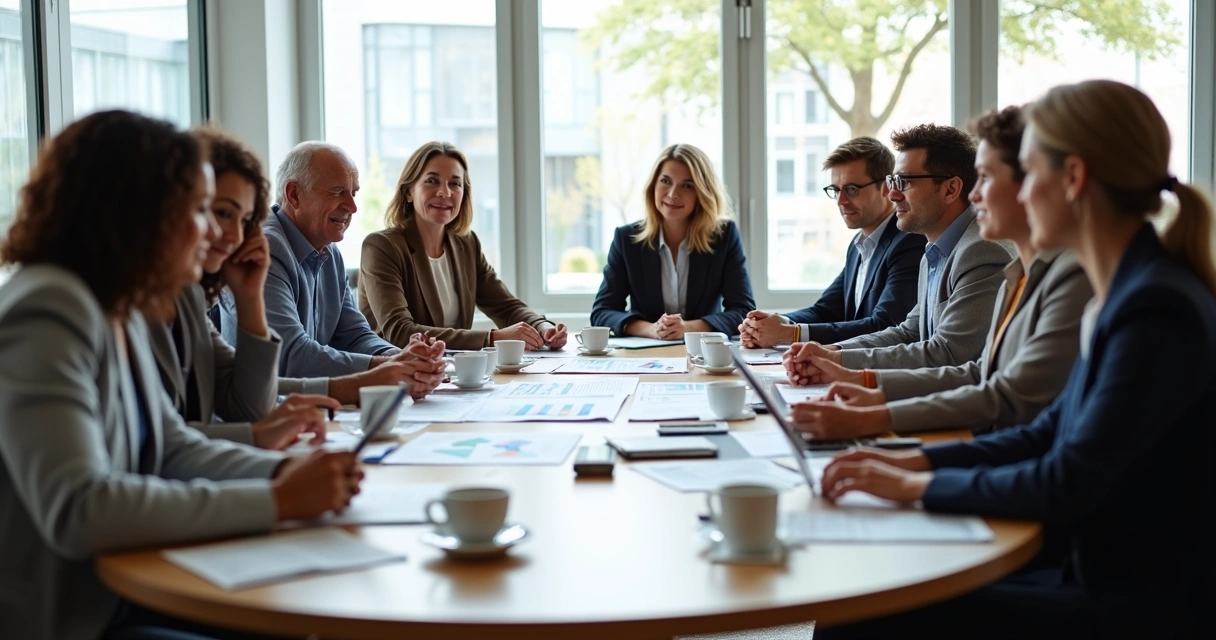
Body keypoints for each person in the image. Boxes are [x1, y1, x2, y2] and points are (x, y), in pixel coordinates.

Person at [814, 80, 1216, 639]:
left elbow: (1066, 480)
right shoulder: (1124, 292)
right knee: (863, 584)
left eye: (1025, 175)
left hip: (1126, 596)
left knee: (856, 612)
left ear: (1072, 179)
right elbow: (1050, 431)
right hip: (1092, 566)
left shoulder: (1154, 309)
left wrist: (915, 487)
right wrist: (912, 465)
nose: (1007, 196)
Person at [0, 110, 364, 640]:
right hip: (76, 615)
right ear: (136, 211)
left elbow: (172, 446)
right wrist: (278, 500)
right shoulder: (51, 306)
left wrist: (280, 476)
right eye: (197, 209)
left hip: (127, 583)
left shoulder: (117, 305)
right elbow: (79, 509)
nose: (216, 232)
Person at [789, 106, 1092, 438]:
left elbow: (965, 368)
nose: (975, 194)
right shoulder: (956, 255)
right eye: (893, 180)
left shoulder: (991, 254)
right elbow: (918, 336)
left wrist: (866, 393)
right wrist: (836, 356)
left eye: (986, 179)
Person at [784, 124, 1015, 385]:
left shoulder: (981, 251)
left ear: (950, 190)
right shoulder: (934, 250)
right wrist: (834, 351)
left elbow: (949, 353)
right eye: (893, 181)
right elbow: (910, 332)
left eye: (904, 182)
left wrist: (838, 362)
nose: (892, 194)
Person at [220, 141, 444, 399]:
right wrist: (389, 368)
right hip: (261, 411)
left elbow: (353, 334)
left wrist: (399, 356)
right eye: (338, 192)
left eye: (354, 193)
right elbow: (290, 357)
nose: (352, 206)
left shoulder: (328, 250)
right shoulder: (265, 249)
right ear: (294, 194)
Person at [359, 142, 567, 351]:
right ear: (408, 192)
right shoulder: (382, 247)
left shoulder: (466, 244)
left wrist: (542, 327)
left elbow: (505, 306)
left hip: (456, 372)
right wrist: (491, 338)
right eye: (432, 181)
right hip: (396, 373)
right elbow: (400, 332)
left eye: (455, 184)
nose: (444, 192)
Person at [739, 137, 924, 348]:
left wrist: (790, 334)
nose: (840, 201)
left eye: (852, 189)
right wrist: (772, 323)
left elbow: (885, 325)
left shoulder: (909, 243)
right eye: (836, 190)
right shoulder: (860, 245)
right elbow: (825, 310)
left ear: (885, 187)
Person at [591, 143, 755, 339]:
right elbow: (602, 312)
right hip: (645, 356)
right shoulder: (627, 239)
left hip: (704, 354)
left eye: (687, 185)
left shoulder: (724, 236)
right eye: (665, 181)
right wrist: (651, 329)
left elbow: (743, 311)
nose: (672, 194)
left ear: (702, 193)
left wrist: (688, 328)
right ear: (653, 185)